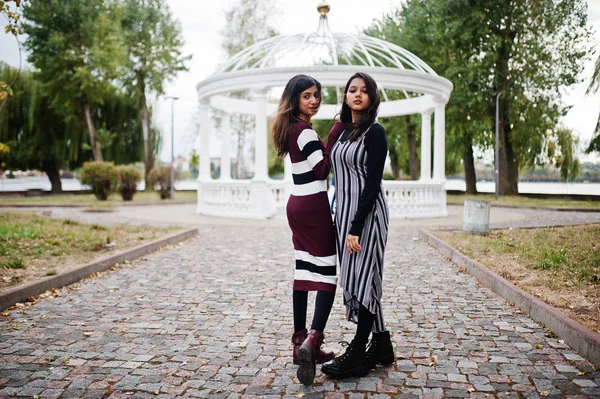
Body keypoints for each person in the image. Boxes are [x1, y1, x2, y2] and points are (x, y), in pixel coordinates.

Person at [321, 72, 395, 379]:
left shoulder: (375, 133)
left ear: (372, 97)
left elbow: (372, 184)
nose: (357, 94)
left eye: (364, 91)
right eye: (352, 90)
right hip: (345, 217)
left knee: (366, 280)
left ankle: (358, 351)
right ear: (346, 96)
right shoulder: (343, 132)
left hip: (367, 218)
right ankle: (382, 344)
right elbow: (329, 166)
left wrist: (355, 226)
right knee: (357, 277)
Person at [271, 74, 340, 386]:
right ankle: (313, 344)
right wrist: (337, 132)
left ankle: (299, 342)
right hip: (313, 207)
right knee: (327, 274)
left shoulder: (289, 129)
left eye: (317, 95)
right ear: (295, 99)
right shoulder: (305, 131)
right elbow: (322, 169)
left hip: (296, 205)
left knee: (303, 271)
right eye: (307, 96)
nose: (314, 101)